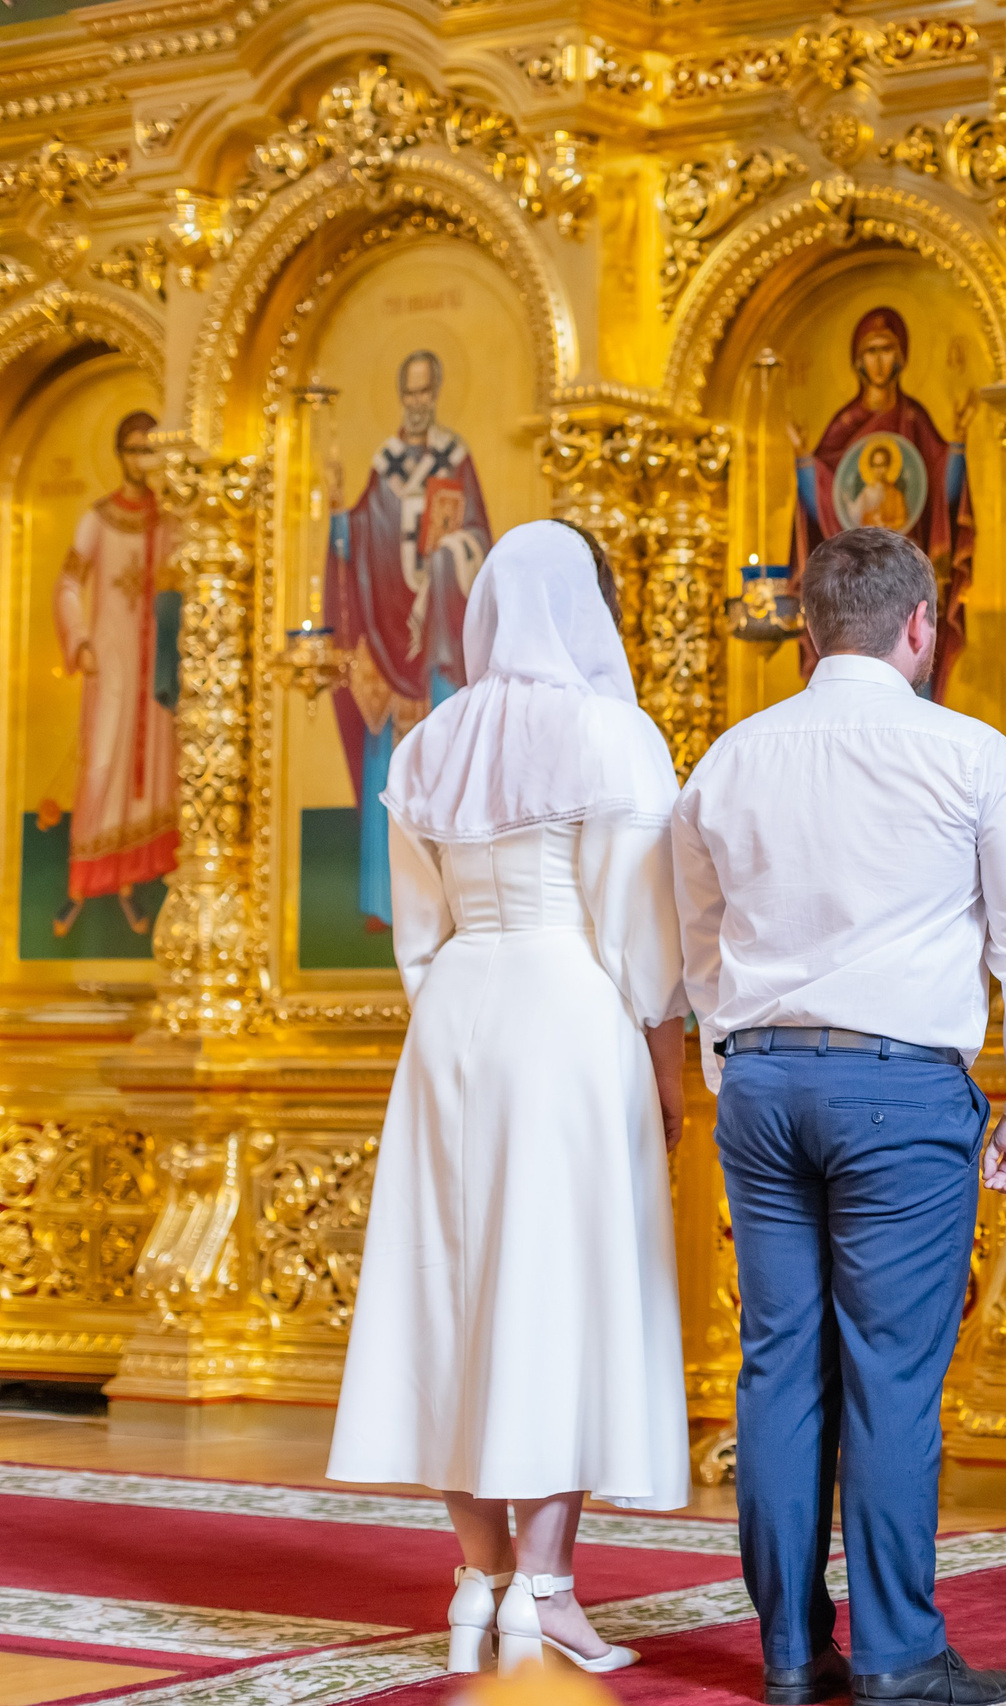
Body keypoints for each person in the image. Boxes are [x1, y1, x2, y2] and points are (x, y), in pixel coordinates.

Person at [672, 525, 1006, 1706]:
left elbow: (697, 939)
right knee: (891, 1375)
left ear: (805, 630)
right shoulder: (968, 752)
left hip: (762, 1083)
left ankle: (792, 1653)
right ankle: (897, 1653)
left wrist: (730, 1059)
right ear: (920, 626)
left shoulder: (728, 759)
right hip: (900, 1089)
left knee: (778, 1367)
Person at [329, 520, 692, 1677]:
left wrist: (452, 1007)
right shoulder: (610, 731)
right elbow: (643, 936)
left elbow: (416, 931)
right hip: (570, 1010)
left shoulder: (428, 740)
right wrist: (669, 1068)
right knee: (558, 1284)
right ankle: (546, 1587)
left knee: (454, 1285)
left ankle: (477, 1578)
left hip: (453, 1014)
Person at [325, 347, 494, 931]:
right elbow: (360, 531)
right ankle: (384, 900)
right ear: (401, 396)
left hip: (440, 636)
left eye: (426, 391)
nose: (418, 402)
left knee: (448, 759)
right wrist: (337, 515)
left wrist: (449, 553)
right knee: (389, 764)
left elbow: (480, 535)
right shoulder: (386, 463)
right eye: (410, 392)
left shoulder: (455, 457)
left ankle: (456, 903)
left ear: (437, 392)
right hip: (386, 627)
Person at [789, 308, 975, 699]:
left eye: (886, 349)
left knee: (912, 673)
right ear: (858, 360)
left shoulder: (913, 418)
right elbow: (825, 502)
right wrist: (805, 460)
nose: (878, 360)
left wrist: (958, 443)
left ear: (900, 356)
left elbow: (941, 493)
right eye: (870, 351)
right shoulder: (844, 423)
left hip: (909, 576)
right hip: (853, 582)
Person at [50, 408, 177, 937]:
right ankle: (83, 884)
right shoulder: (97, 520)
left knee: (155, 769)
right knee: (102, 762)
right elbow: (68, 585)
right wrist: (79, 640)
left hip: (158, 664)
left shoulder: (170, 520)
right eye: (133, 449)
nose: (141, 460)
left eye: (150, 450)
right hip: (112, 662)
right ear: (119, 455)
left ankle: (136, 879)